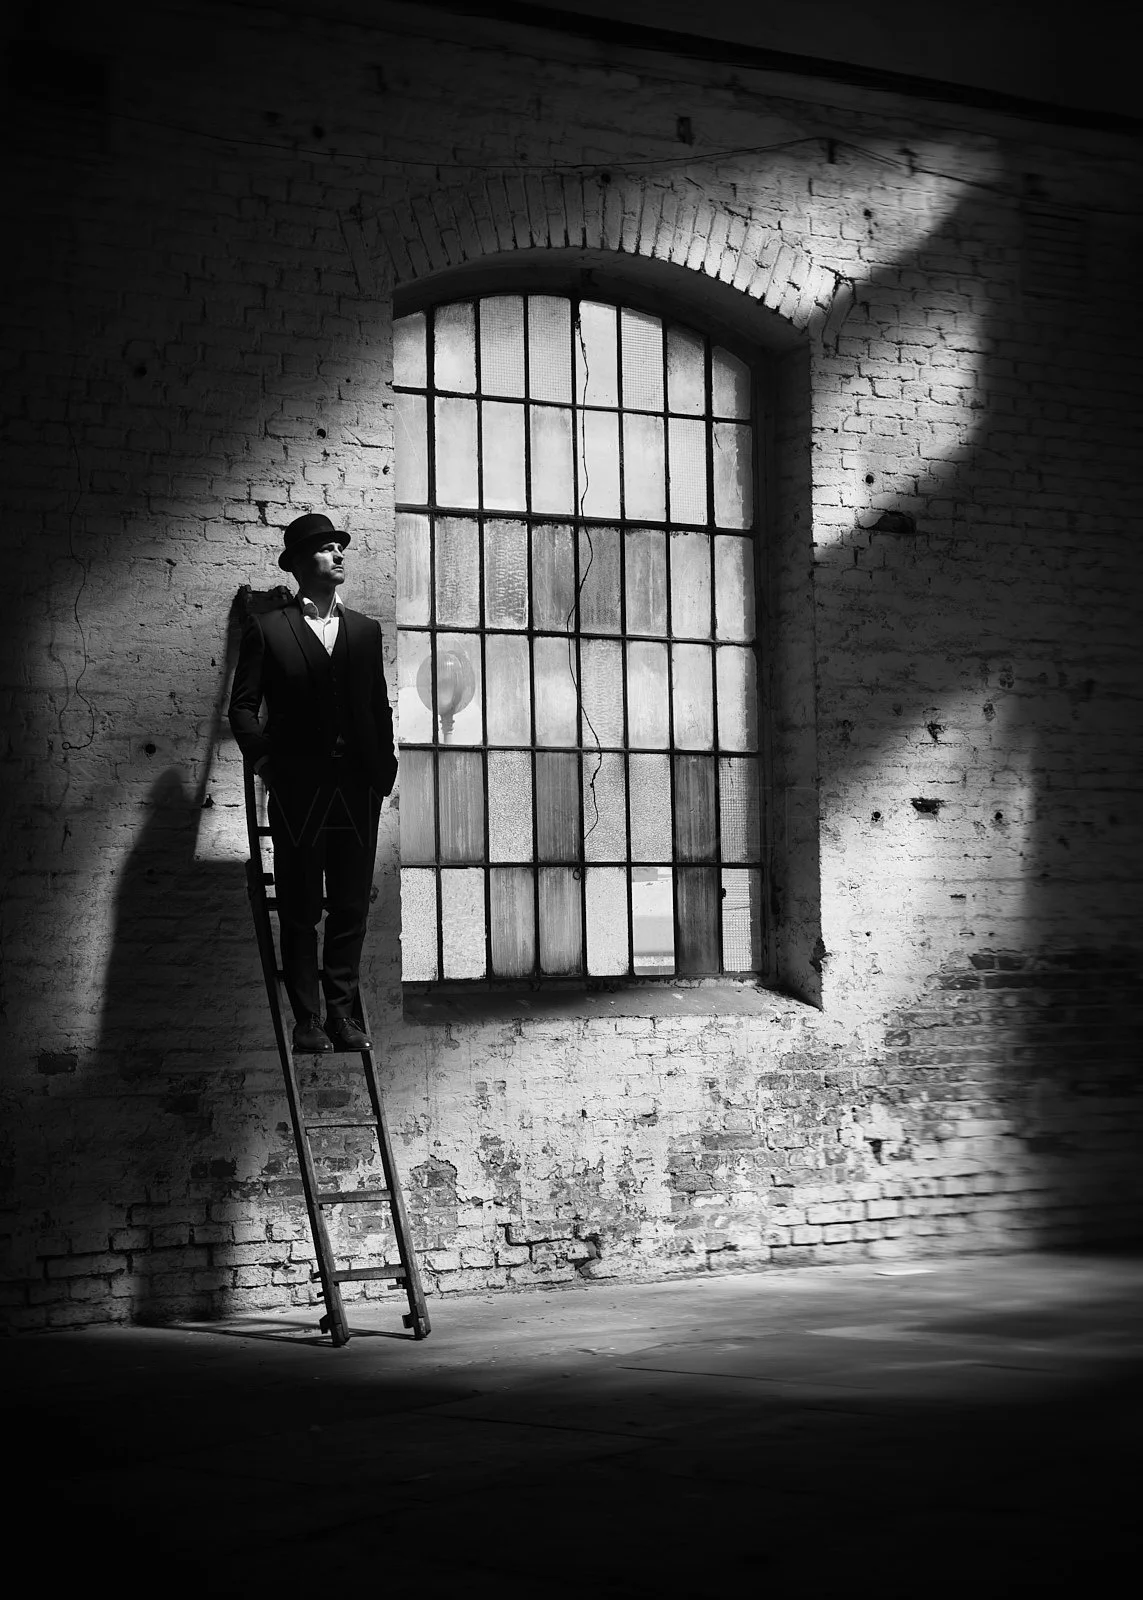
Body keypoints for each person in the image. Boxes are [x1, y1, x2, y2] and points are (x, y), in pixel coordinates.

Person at [229, 512, 398, 1053]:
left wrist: (383, 769)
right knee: (300, 907)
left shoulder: (366, 631)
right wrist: (266, 764)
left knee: (349, 905)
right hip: (298, 788)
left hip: (357, 788)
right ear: (301, 563)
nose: (339, 555)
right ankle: (307, 1019)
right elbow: (244, 707)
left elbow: (377, 704)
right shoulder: (269, 627)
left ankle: (342, 1017)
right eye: (327, 548)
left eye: (339, 547)